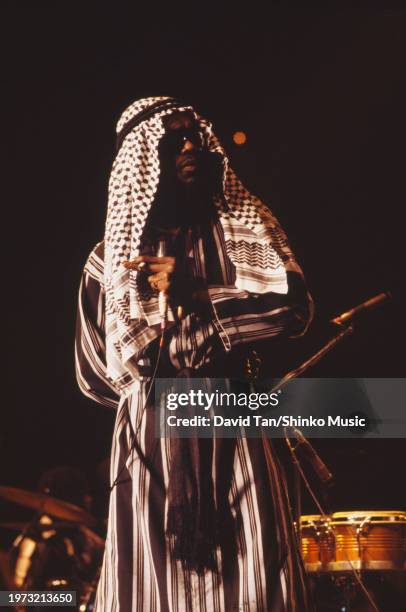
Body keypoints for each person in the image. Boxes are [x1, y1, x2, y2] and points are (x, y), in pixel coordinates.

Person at [75, 96, 314, 611]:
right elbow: (93, 374)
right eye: (172, 139)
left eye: (194, 136)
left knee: (254, 578)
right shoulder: (106, 261)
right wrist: (157, 381)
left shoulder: (242, 237)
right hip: (150, 436)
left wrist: (197, 295)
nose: (190, 147)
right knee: (148, 586)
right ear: (141, 160)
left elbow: (295, 310)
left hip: (235, 415)